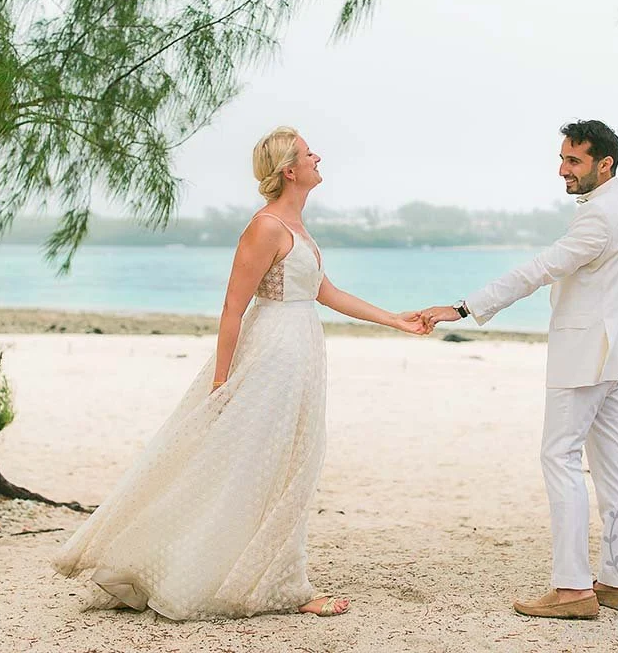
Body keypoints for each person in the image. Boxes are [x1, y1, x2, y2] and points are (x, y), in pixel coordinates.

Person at [52, 125, 428, 620]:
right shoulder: (265, 226)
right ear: (289, 171)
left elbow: (324, 291)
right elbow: (233, 306)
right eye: (306, 152)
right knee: (258, 467)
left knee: (293, 464)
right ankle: (284, 586)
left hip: (302, 354)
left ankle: (266, 572)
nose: (318, 155)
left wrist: (394, 319)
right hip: (271, 355)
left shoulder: (298, 228)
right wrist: (220, 380)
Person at [420, 120, 618, 619]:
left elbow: (538, 270)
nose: (562, 170)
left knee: (560, 459)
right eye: (563, 158)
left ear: (604, 164)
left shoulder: (599, 219)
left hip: (584, 356)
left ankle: (572, 589)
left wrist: (463, 308)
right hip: (616, 358)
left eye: (573, 161)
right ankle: (614, 581)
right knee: (615, 466)